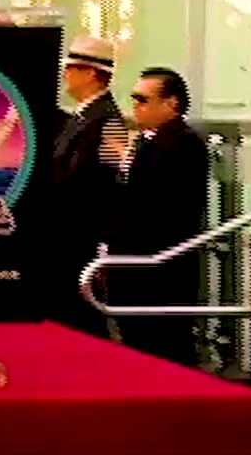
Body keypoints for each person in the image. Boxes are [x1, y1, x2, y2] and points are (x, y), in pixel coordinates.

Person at [107, 67, 208, 368]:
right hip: (134, 265)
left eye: (143, 99)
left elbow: (168, 207)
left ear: (171, 104)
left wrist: (127, 164)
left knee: (165, 348)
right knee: (138, 344)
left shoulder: (184, 144)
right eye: (134, 98)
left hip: (160, 270)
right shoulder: (147, 142)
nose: (135, 106)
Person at [49, 35, 129, 338]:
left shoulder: (106, 121)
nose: (66, 74)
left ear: (92, 74)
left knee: (82, 317)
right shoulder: (83, 117)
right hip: (69, 234)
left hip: (81, 234)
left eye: (73, 68)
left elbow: (113, 182)